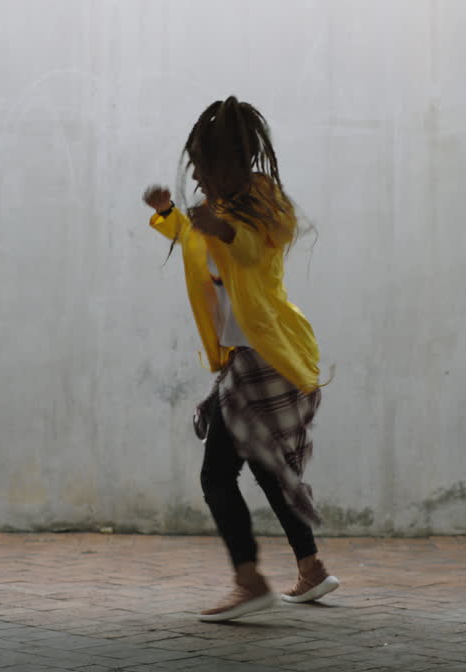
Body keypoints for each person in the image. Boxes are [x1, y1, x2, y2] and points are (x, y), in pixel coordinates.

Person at [142, 96, 339, 622]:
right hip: (245, 360)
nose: (199, 179)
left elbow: (254, 248)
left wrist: (223, 229)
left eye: (206, 168)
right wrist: (167, 215)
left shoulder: (261, 208)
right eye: (197, 170)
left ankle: (249, 581)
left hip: (263, 358)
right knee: (265, 468)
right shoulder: (221, 210)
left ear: (232, 163)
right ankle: (312, 570)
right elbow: (195, 238)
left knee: (215, 477)